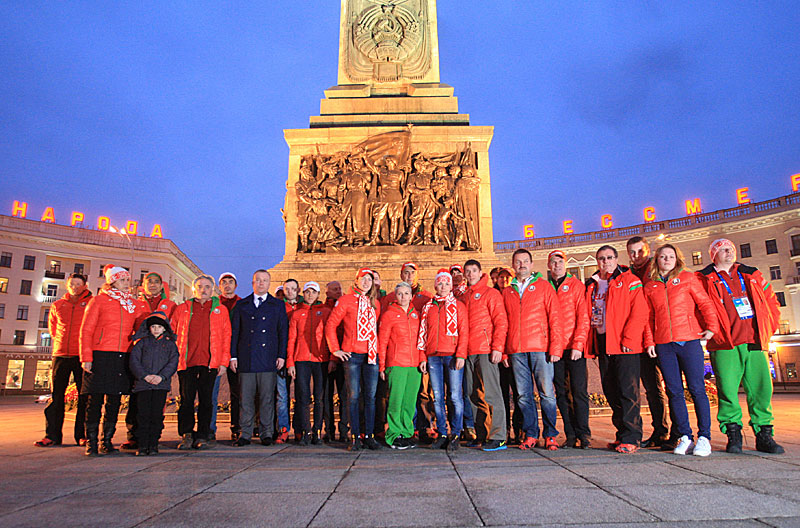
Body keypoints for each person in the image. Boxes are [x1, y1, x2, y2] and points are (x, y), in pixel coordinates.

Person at [696, 239, 785, 454]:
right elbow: (698, 308)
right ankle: (733, 434)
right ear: (714, 255)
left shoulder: (751, 274)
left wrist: (768, 328)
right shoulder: (704, 278)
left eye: (732, 249)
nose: (729, 252)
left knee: (761, 389)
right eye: (724, 250)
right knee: (727, 390)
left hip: (755, 341)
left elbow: (771, 302)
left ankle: (764, 434)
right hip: (724, 343)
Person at [643, 244, 719, 456]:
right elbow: (648, 317)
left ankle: (704, 437)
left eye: (670, 256)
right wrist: (650, 341)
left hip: (689, 341)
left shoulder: (687, 278)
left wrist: (712, 327)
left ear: (677, 259)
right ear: (656, 260)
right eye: (662, 257)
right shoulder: (650, 285)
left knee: (697, 389)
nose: (666, 260)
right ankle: (685, 436)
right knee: (674, 391)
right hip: (664, 343)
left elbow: (704, 303)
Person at [585, 245, 649, 454]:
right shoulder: (593, 284)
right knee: (611, 391)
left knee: (628, 391)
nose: (605, 261)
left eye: (609, 257)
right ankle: (622, 434)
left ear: (616, 259)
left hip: (624, 344)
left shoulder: (630, 280)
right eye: (601, 258)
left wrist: (629, 340)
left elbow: (639, 312)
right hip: (604, 343)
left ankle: (632, 436)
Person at [79, 265, 147, 456]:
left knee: (115, 400)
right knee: (95, 399)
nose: (128, 283)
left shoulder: (131, 304)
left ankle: (106, 440)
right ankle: (91, 442)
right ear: (113, 281)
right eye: (123, 280)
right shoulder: (99, 301)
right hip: (100, 354)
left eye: (128, 280)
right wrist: (86, 357)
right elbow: (86, 330)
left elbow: (140, 327)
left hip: (122, 355)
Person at [502, 249, 562, 451]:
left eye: (525, 261)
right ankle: (530, 433)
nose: (522, 265)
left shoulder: (544, 287)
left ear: (531, 264)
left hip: (540, 347)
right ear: (513, 265)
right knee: (523, 395)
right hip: (516, 349)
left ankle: (551, 434)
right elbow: (503, 323)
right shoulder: (507, 291)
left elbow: (555, 318)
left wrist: (555, 347)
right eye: (518, 262)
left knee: (546, 393)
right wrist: (503, 351)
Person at [626, 236, 675, 450]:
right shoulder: (628, 274)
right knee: (650, 387)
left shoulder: (657, 271)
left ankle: (678, 432)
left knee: (671, 387)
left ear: (648, 251)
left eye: (640, 251)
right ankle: (659, 430)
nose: (636, 256)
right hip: (640, 338)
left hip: (661, 335)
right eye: (632, 252)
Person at [172, 275, 231, 450]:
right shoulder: (183, 308)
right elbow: (173, 333)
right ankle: (187, 434)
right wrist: (175, 358)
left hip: (210, 362)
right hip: (187, 362)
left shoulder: (220, 310)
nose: (203, 289)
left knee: (206, 400)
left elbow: (226, 337)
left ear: (212, 289)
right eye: (200, 286)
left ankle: (204, 434)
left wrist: (223, 362)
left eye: (206, 286)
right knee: (186, 399)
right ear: (193, 288)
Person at [230, 270, 288, 447]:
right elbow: (235, 332)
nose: (261, 283)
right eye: (258, 280)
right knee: (245, 399)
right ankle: (245, 433)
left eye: (264, 280)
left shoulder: (277, 305)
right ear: (252, 282)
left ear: (269, 283)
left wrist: (281, 355)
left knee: (267, 399)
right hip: (246, 358)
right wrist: (233, 356)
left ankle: (266, 432)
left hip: (268, 358)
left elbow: (282, 332)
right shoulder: (242, 305)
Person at [325, 268, 382, 451]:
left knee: (371, 397)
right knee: (353, 396)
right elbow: (331, 325)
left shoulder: (375, 303)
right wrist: (336, 350)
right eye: (362, 279)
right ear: (356, 280)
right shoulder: (346, 300)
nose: (366, 282)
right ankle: (355, 436)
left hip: (371, 355)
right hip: (353, 355)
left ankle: (369, 435)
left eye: (369, 279)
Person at [35, 273, 92, 448]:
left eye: (78, 284)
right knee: (57, 396)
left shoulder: (90, 304)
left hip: (81, 355)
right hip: (60, 354)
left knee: (84, 397)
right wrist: (60, 343)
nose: (74, 286)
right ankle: (52, 435)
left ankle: (81, 435)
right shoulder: (58, 305)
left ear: (84, 285)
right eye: (72, 284)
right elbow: (53, 328)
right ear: (67, 286)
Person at [123, 271, 177, 451]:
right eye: (149, 282)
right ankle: (133, 436)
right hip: (139, 357)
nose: (153, 284)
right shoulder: (134, 304)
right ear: (143, 285)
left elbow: (174, 328)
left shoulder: (170, 305)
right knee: (137, 401)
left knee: (156, 407)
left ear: (162, 286)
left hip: (161, 360)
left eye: (156, 282)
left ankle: (153, 439)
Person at [418, 269, 469, 452]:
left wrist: (461, 354)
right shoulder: (428, 307)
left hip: (452, 355)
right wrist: (422, 356)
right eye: (440, 283)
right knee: (437, 397)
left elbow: (464, 332)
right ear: (435, 286)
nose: (444, 286)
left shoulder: (459, 306)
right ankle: (441, 432)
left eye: (447, 283)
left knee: (455, 396)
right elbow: (422, 333)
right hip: (433, 356)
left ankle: (455, 433)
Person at [462, 259, 509, 451]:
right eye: (468, 271)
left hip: (485, 349)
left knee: (492, 393)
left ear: (480, 272)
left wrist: (498, 347)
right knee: (473, 394)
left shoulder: (491, 293)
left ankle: (498, 435)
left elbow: (501, 321)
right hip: (467, 351)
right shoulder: (463, 296)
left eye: (474, 270)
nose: (471, 274)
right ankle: (481, 433)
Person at [547, 250, 592, 449]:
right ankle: (571, 434)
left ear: (565, 264)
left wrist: (578, 344)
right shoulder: (545, 287)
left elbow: (583, 317)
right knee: (562, 394)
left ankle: (584, 433)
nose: (556, 265)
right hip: (554, 350)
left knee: (579, 391)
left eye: (559, 262)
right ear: (548, 266)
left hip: (574, 348)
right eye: (553, 262)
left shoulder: (576, 286)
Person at [378, 282, 422, 449]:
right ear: (395, 296)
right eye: (400, 294)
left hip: (414, 364)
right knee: (396, 400)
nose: (403, 297)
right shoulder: (389, 314)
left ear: (411, 296)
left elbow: (421, 340)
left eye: (406, 293)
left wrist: (422, 360)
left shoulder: (415, 314)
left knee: (409, 402)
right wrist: (382, 366)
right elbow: (382, 342)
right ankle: (394, 433)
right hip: (396, 362)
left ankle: (407, 431)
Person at [129, 311, 179, 456]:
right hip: (143, 385)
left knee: (156, 415)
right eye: (153, 326)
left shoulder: (169, 345)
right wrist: (144, 376)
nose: (156, 329)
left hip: (160, 385)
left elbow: (173, 362)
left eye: (159, 326)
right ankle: (143, 445)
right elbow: (134, 361)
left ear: (165, 328)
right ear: (149, 328)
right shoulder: (142, 343)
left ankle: (153, 444)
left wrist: (162, 377)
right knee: (143, 415)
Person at [287, 281, 330, 445]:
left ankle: (317, 431)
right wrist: (290, 361)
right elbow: (292, 339)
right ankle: (305, 430)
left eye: (313, 292)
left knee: (319, 397)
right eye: (307, 292)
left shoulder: (325, 311)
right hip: (302, 359)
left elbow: (329, 336)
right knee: (303, 397)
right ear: (302, 294)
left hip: (321, 359)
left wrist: (331, 359)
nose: (310, 295)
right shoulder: (297, 314)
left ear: (318, 294)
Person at [322, 280, 349, 442]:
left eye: (340, 288)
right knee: (326, 396)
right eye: (334, 289)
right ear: (327, 293)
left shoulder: (345, 306)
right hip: (325, 358)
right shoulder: (323, 310)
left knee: (345, 395)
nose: (339, 291)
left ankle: (344, 430)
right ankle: (329, 430)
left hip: (343, 357)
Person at [217, 272, 242, 441]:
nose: (227, 285)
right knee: (210, 394)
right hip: (216, 352)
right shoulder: (214, 304)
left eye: (230, 282)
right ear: (220, 286)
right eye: (224, 282)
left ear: (235, 285)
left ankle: (237, 426)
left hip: (236, 354)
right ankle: (209, 429)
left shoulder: (242, 304)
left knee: (237, 393)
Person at [278, 278, 303, 442]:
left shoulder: (303, 308)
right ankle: (283, 428)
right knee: (282, 395)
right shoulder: (278, 307)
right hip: (281, 355)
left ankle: (300, 429)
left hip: (299, 355)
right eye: (287, 289)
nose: (290, 292)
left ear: (298, 290)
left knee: (301, 395)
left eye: (293, 289)